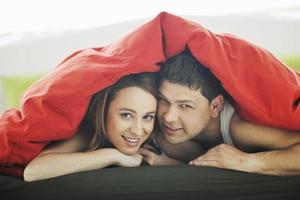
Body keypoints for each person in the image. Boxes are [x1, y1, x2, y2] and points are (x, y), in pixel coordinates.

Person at [140, 49, 300, 176]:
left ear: (215, 106)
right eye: (164, 100)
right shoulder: (162, 131)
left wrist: (246, 161)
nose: (168, 116)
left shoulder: (241, 128)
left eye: (185, 106)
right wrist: (170, 164)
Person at [23, 72, 158, 182]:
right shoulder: (88, 132)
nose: (138, 131)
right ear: (103, 111)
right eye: (126, 115)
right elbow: (32, 172)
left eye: (147, 117)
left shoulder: (158, 135)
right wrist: (111, 155)